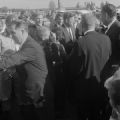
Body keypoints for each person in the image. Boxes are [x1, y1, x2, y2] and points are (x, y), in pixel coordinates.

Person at [0, 20, 48, 120]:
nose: (12, 36)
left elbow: (12, 60)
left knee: (38, 115)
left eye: (13, 33)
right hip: (31, 91)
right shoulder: (26, 44)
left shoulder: (30, 46)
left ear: (22, 31)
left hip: (36, 92)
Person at [67, 13, 111, 120]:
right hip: (102, 86)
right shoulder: (106, 39)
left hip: (86, 90)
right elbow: (108, 58)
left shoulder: (81, 42)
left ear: (82, 24)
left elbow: (74, 69)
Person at [101, 3, 120, 79]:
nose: (100, 18)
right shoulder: (111, 27)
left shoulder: (118, 28)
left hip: (114, 71)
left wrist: (117, 65)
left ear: (106, 15)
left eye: (101, 15)